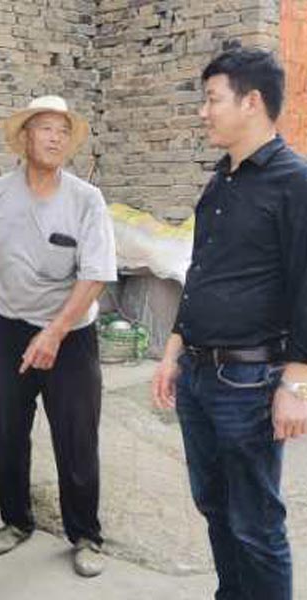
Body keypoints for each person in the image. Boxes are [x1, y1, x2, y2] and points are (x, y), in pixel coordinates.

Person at [152, 47, 307, 600]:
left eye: (212, 99)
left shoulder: (294, 182)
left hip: (248, 381)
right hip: (198, 374)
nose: (203, 112)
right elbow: (201, 273)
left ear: (252, 101)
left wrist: (296, 384)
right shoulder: (221, 181)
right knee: (215, 506)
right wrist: (172, 352)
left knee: (255, 523)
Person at [0, 95, 116, 577]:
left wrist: (54, 331)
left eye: (63, 130)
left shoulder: (86, 199)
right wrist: (26, 283)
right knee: (10, 429)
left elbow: (95, 274)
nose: (56, 138)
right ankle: (15, 521)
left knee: (76, 436)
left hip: (71, 334)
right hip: (10, 327)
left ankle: (86, 535)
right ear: (25, 138)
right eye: (45, 128)